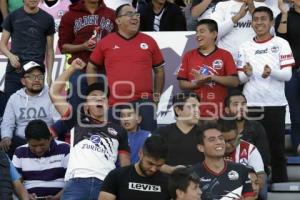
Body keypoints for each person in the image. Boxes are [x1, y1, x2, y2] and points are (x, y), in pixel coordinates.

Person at [49, 58, 131, 200]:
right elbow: (54, 92)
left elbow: (125, 164)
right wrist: (72, 68)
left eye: (103, 97)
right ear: (86, 104)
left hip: (106, 186)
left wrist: (122, 189)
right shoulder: (76, 119)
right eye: (94, 96)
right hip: (76, 183)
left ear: (107, 104)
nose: (99, 99)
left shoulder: (119, 130)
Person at [237, 6, 295, 183]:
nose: (259, 22)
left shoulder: (281, 43)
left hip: (275, 103)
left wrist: (272, 72)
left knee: (276, 147)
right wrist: (246, 73)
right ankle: (250, 185)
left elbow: (287, 75)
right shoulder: (244, 46)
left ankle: (279, 183)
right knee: (250, 147)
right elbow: (240, 78)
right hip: (252, 103)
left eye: (263, 19)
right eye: (255, 19)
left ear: (271, 22)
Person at [86, 4, 165, 132]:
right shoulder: (106, 42)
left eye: (137, 14)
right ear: (118, 20)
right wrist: (97, 95)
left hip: (144, 102)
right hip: (115, 103)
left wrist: (156, 97)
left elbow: (159, 70)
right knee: (115, 144)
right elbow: (91, 67)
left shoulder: (149, 41)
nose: (135, 18)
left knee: (149, 143)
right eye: (129, 14)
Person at [58, 0, 115, 112]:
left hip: (106, 70)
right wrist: (83, 46)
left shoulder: (112, 14)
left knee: (107, 112)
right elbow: (63, 47)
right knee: (77, 111)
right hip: (80, 69)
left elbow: (119, 42)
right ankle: (77, 129)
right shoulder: (70, 16)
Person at [177, 19, 239, 119]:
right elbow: (182, 84)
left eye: (202, 31)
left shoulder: (225, 55)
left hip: (220, 112)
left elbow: (234, 82)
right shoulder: (189, 55)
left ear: (214, 34)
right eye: (196, 32)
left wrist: (211, 78)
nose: (197, 35)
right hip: (195, 114)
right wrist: (197, 83)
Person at [0, 61, 59, 158]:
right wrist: (6, 137)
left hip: (45, 140)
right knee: (5, 141)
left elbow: (58, 121)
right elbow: (7, 123)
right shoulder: (15, 98)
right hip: (21, 142)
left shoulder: (52, 95)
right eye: (31, 76)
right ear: (23, 81)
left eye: (40, 76)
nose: (36, 80)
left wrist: (50, 136)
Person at [0, 0, 55, 100]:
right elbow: (2, 44)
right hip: (14, 71)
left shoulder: (48, 19)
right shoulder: (12, 17)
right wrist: (11, 56)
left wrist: (49, 75)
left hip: (36, 72)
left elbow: (50, 51)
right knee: (10, 107)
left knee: (35, 109)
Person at [192, 122, 255, 200]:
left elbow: (250, 197)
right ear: (201, 147)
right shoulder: (192, 173)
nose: (219, 142)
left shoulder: (241, 170)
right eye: (212, 140)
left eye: (221, 138)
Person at [12, 119, 70, 200]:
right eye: (33, 146)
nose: (38, 150)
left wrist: (58, 197)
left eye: (42, 145)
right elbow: (15, 183)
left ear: (50, 138)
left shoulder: (65, 149)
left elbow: (74, 181)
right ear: (27, 140)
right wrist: (26, 196)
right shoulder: (19, 152)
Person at [98, 135, 170, 200]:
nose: (153, 169)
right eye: (150, 163)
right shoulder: (117, 176)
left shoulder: (167, 182)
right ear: (140, 153)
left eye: (159, 165)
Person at [154, 91, 204, 173]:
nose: (197, 111)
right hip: (168, 183)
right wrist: (171, 170)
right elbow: (151, 161)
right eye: (192, 107)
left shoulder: (205, 133)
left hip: (199, 183)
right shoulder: (162, 133)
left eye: (198, 107)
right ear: (178, 110)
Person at [223, 90, 270, 174]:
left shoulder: (256, 127)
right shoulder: (219, 128)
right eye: (235, 104)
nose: (241, 107)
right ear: (227, 110)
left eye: (243, 104)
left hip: (253, 173)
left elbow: (264, 158)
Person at [218, 119, 266, 199]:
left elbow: (260, 180)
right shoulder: (209, 150)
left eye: (231, 140)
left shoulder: (250, 150)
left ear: (238, 135)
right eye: (223, 140)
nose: (228, 145)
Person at [275, 0, 300, 154]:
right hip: (293, 70)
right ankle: (298, 146)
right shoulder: (285, 15)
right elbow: (281, 37)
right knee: (296, 113)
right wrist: (284, 13)